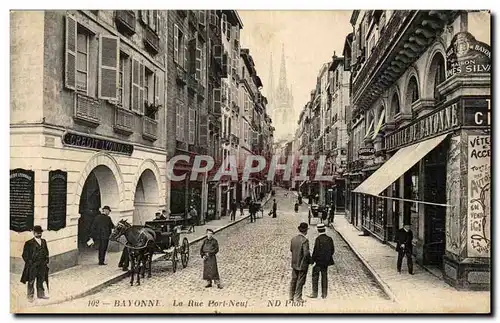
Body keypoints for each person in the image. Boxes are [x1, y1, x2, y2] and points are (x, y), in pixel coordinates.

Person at [21, 225, 49, 302]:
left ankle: (41, 294)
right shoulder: (29, 243)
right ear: (34, 233)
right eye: (37, 233)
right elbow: (24, 255)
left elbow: (46, 252)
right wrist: (30, 263)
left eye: (40, 233)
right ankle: (30, 296)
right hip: (33, 266)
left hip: (42, 265)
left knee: (41, 280)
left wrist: (46, 260)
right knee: (31, 281)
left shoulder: (44, 241)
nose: (39, 234)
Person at [308, 223, 335, 299]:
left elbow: (315, 251)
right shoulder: (329, 239)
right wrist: (327, 258)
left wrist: (312, 261)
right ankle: (324, 294)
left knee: (315, 276)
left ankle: (314, 293)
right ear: (324, 230)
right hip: (325, 262)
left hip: (318, 262)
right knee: (324, 277)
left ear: (318, 230)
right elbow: (332, 250)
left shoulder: (318, 239)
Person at [289, 222, 311, 302]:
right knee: (300, 281)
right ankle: (298, 297)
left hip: (294, 263)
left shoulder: (293, 239)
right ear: (305, 231)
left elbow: (291, 249)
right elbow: (306, 253)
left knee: (294, 279)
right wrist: (310, 261)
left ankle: (291, 296)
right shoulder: (305, 240)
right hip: (302, 264)